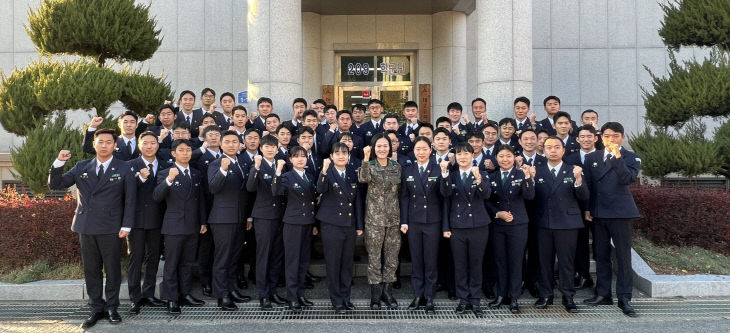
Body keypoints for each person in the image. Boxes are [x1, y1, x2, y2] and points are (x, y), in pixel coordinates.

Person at [48, 129, 135, 329]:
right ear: (94, 145)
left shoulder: (124, 168)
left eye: (108, 142)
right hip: (86, 225)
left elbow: (131, 200)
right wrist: (59, 162)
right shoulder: (81, 167)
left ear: (115, 145)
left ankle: (112, 307)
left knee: (112, 269)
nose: (104, 145)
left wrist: (126, 225)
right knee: (91, 269)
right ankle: (96, 307)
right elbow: (56, 184)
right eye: (100, 141)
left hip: (111, 226)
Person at [583, 122, 641, 318]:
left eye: (615, 136)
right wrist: (588, 208)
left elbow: (626, 178)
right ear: (600, 137)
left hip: (621, 214)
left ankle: (624, 298)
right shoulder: (592, 157)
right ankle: (603, 293)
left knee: (623, 258)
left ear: (622, 138)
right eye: (607, 136)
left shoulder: (631, 157)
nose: (611, 139)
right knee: (601, 255)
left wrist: (617, 156)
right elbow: (589, 185)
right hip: (599, 213)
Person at [532, 136, 589, 313]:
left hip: (567, 223)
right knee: (544, 261)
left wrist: (579, 180)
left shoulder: (573, 170)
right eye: (549, 147)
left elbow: (584, 196)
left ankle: (568, 296)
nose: (553, 150)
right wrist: (530, 180)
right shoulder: (537, 170)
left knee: (566, 262)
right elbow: (530, 197)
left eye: (557, 147)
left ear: (563, 150)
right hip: (544, 223)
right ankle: (546, 294)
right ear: (544, 150)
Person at [153, 139, 208, 315]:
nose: (186, 153)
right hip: (174, 226)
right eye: (181, 150)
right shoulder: (165, 173)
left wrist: (202, 221)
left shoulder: (196, 173)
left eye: (188, 150)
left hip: (193, 225)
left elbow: (201, 201)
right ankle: (171, 298)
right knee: (172, 264)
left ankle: (185, 294)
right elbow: (157, 197)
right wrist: (169, 180)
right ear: (173, 153)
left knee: (187, 263)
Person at [440, 142, 491, 316]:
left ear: (473, 155)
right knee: (460, 265)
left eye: (466, 154)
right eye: (459, 154)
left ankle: (475, 300)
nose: (463, 157)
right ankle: (463, 299)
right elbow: (445, 196)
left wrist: (479, 179)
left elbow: (486, 195)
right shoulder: (451, 175)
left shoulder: (482, 173)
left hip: (478, 225)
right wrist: (445, 174)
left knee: (476, 264)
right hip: (457, 226)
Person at [485, 145, 535, 313]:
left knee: (515, 261)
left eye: (508, 156)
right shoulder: (491, 176)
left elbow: (529, 196)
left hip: (518, 225)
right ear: (496, 158)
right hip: (498, 225)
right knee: (499, 261)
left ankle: (514, 297)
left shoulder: (522, 175)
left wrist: (528, 178)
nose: (505, 159)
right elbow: (487, 200)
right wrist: (497, 213)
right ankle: (501, 295)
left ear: (514, 158)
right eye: (501, 156)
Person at [399, 137, 446, 313]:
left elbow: (444, 197)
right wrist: (404, 221)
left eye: (424, 149)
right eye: (417, 149)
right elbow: (404, 197)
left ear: (430, 150)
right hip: (414, 221)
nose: (421, 152)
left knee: (431, 260)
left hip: (433, 221)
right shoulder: (408, 170)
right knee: (417, 260)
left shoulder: (438, 168)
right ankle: (418, 295)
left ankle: (430, 297)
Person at [207, 130, 252, 311]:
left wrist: (248, 216)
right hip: (222, 219)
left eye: (235, 141)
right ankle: (222, 295)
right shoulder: (216, 163)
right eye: (227, 142)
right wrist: (223, 170)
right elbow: (213, 188)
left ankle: (232, 289)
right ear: (220, 144)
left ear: (240, 144)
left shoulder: (242, 163)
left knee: (234, 257)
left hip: (240, 218)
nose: (232, 145)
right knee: (222, 258)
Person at [317, 142, 364, 313]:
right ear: (331, 156)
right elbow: (319, 189)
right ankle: (336, 300)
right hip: (331, 225)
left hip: (349, 225)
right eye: (337, 153)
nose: (341, 156)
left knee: (346, 264)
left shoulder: (352, 173)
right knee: (333, 264)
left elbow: (357, 201)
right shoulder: (326, 172)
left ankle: (346, 298)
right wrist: (323, 171)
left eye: (344, 153)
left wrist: (359, 224)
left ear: (349, 156)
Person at [127, 131, 169, 315]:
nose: (150, 146)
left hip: (157, 218)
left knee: (153, 258)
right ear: (139, 145)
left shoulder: (166, 165)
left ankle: (149, 294)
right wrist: (140, 178)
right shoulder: (130, 165)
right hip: (136, 220)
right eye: (146, 143)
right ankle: (135, 298)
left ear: (158, 145)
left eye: (153, 143)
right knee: (136, 259)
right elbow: (124, 192)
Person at [272, 146, 318, 312]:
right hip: (292, 223)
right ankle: (292, 298)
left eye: (303, 156)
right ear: (290, 160)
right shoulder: (286, 176)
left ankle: (300, 294)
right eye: (296, 156)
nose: (300, 159)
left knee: (304, 261)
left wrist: (314, 224)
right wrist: (278, 170)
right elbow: (276, 191)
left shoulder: (310, 176)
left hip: (307, 222)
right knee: (293, 262)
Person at [358, 133, 402, 310]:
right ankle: (375, 294)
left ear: (390, 148)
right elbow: (363, 178)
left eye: (385, 146)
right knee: (374, 258)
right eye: (379, 146)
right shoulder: (370, 165)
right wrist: (366, 158)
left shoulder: (396, 166)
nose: (382, 149)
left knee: (392, 257)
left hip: (393, 219)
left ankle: (387, 291)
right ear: (373, 148)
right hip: (374, 220)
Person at [246, 135, 287, 310]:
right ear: (261, 148)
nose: (270, 150)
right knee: (263, 255)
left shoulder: (281, 164)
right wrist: (255, 167)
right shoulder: (257, 165)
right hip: (263, 216)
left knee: (277, 256)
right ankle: (263, 294)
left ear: (277, 149)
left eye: (273, 147)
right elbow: (250, 187)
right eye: (267, 147)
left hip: (280, 215)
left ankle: (273, 291)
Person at [564, 125, 599, 290]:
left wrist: (590, 207)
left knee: (599, 245)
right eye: (582, 137)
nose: (586, 139)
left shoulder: (602, 157)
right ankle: (583, 274)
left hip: (599, 206)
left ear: (595, 138)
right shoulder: (570, 159)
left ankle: (601, 280)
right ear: (577, 139)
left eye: (589, 136)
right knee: (580, 243)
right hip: (577, 208)